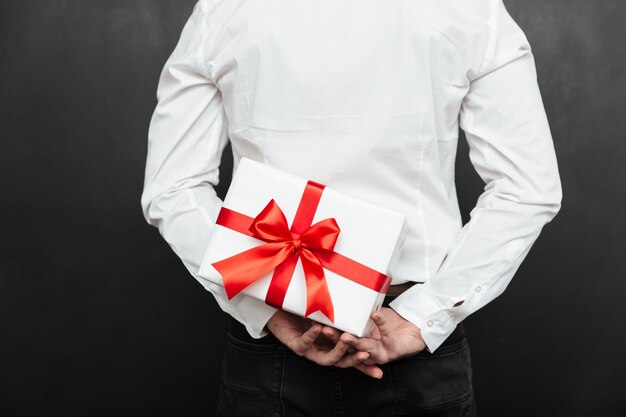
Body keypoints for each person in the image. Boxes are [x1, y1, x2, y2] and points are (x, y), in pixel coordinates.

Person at [140, 0, 562, 415]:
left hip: (276, 349)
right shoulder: (469, 9)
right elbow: (527, 189)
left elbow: (172, 188)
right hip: (405, 339)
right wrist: (423, 317)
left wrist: (261, 309)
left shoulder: (224, 10)